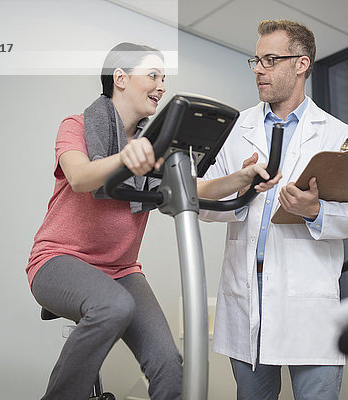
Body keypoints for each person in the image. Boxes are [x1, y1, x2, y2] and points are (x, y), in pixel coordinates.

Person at [26, 42, 280, 400]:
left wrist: (242, 179)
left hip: (122, 270)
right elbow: (81, 176)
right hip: (56, 261)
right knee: (114, 305)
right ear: (120, 78)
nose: (162, 85)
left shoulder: (155, 146)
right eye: (153, 75)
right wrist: (126, 159)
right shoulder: (77, 125)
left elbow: (197, 187)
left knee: (169, 368)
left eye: (164, 78)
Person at [200, 20, 348, 400]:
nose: (258, 69)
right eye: (256, 59)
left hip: (307, 303)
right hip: (247, 295)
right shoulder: (237, 129)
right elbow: (203, 204)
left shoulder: (336, 133)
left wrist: (317, 211)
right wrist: (241, 188)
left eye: (270, 59)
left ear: (301, 64)